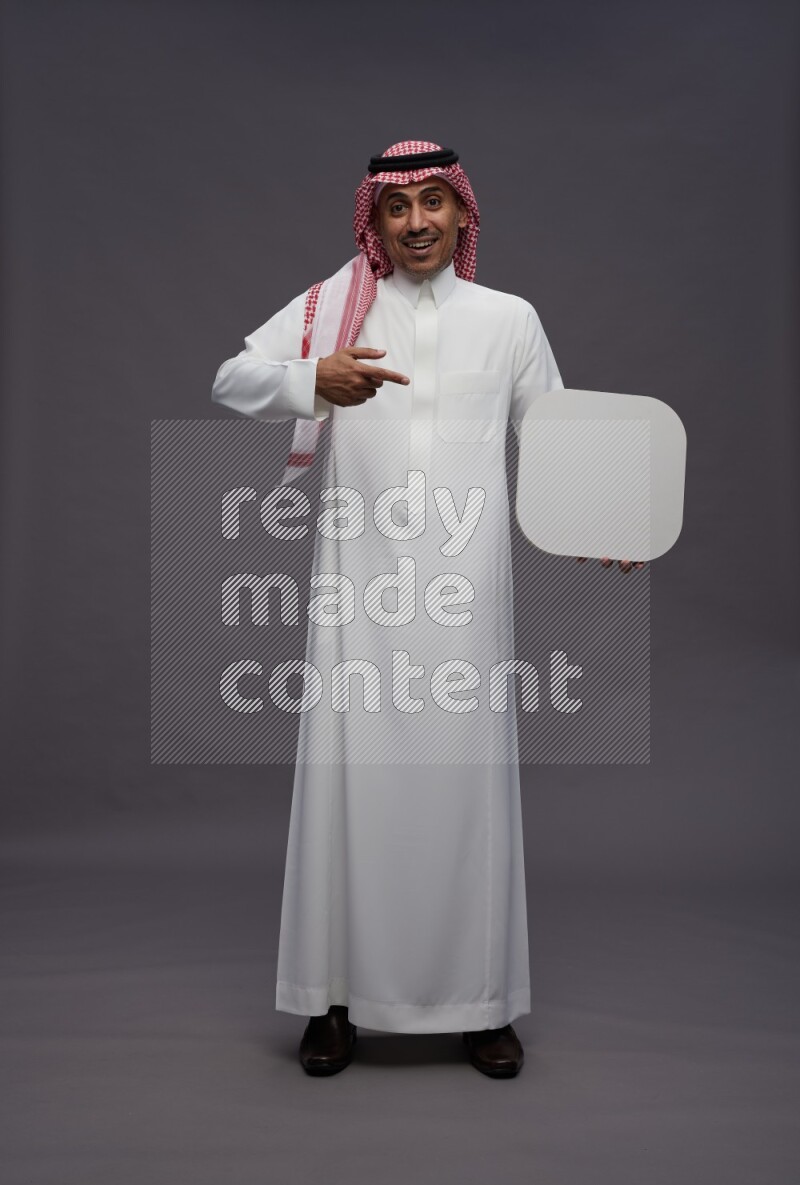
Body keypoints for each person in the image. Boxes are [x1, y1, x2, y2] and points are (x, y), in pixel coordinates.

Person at [212, 141, 568, 1078]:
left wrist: (609, 515)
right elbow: (231, 377)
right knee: (348, 792)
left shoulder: (510, 319)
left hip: (465, 606)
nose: (416, 223)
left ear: (463, 214)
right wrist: (307, 380)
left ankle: (482, 1004)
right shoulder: (336, 308)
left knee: (468, 798)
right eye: (396, 208)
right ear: (372, 223)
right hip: (358, 598)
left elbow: (560, 438)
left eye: (433, 204)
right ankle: (333, 1003)